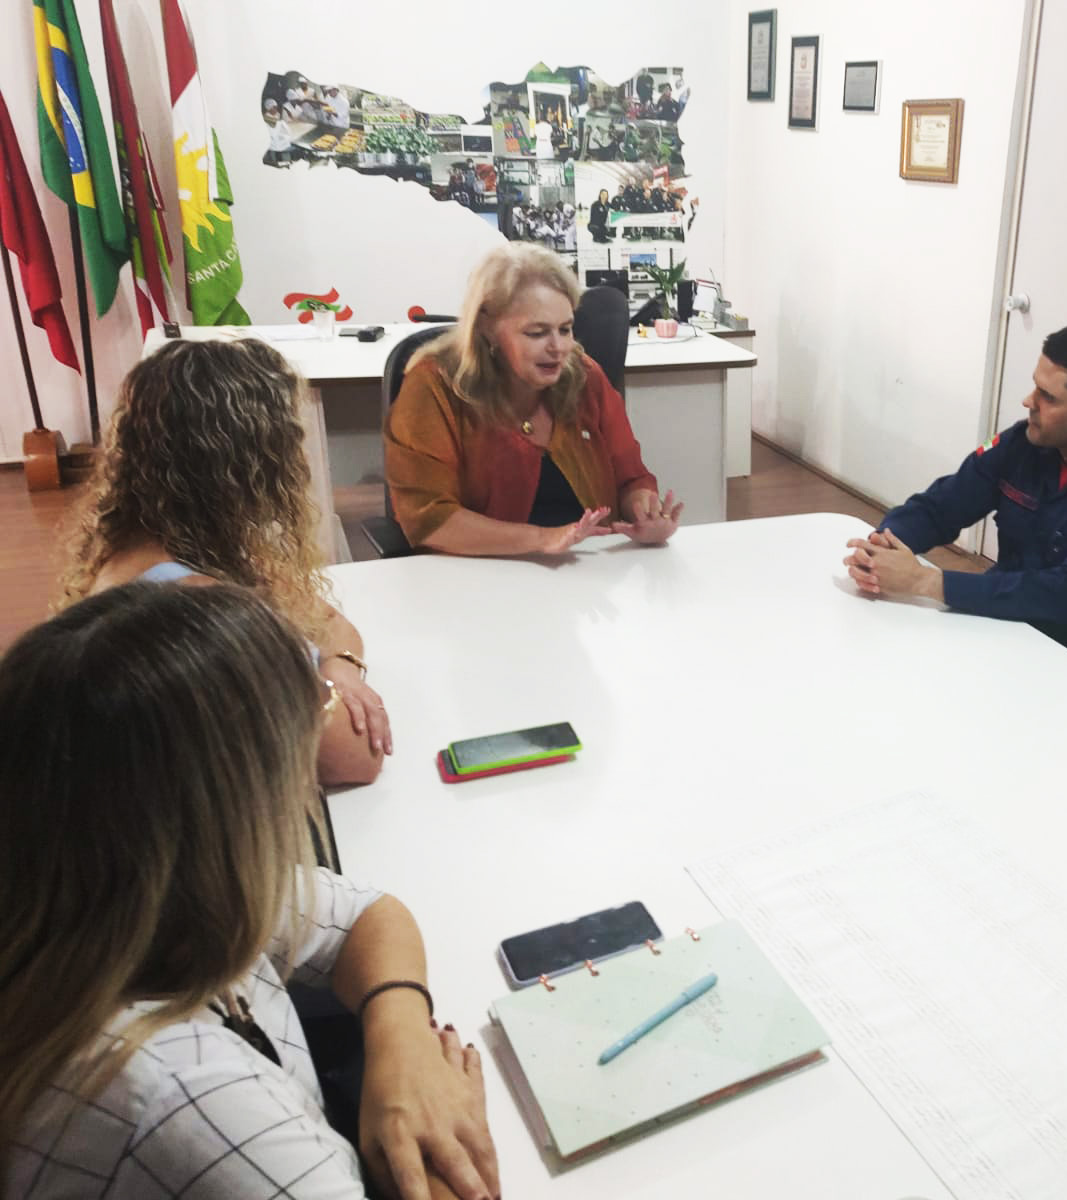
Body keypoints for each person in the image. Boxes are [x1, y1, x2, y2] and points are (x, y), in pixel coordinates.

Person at [0, 584, 498, 1199]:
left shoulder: (130, 887)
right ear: (237, 808)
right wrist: (449, 1165)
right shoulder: (193, 1104)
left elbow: (371, 913)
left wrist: (402, 1049)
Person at [58, 338, 391, 787]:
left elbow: (328, 621)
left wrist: (339, 667)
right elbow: (357, 758)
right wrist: (334, 689)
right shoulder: (205, 610)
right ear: (253, 466)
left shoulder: (152, 549)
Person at [845, 318, 1067, 671]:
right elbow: (941, 507)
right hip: (995, 630)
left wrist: (926, 581)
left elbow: (1066, 595)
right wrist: (883, 546)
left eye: (1048, 397)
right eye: (1035, 387)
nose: (1029, 401)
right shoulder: (1027, 443)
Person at [385, 243, 683, 557]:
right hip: (479, 578)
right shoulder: (434, 386)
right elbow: (430, 520)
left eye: (566, 329)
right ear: (486, 327)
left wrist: (643, 509)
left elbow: (631, 477)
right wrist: (543, 539)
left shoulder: (584, 377)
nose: (558, 348)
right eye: (537, 333)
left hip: (586, 575)